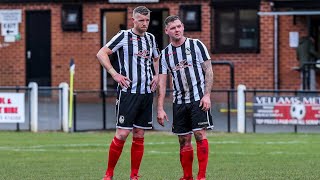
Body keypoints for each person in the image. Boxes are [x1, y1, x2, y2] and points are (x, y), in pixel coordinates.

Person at [96, 6, 160, 180]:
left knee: (139, 134)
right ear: (134, 20)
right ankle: (109, 174)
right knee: (122, 133)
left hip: (146, 94)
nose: (145, 23)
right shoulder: (124, 36)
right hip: (128, 93)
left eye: (147, 20)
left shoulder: (151, 39)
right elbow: (102, 53)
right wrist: (114, 74)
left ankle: (134, 176)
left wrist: (156, 75)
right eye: (141, 20)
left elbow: (156, 58)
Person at [157, 15, 214, 180]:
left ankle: (201, 176)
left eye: (179, 26)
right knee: (183, 140)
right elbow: (162, 83)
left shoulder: (196, 45)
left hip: (198, 99)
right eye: (173, 28)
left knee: (199, 134)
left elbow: (208, 70)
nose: (177, 30)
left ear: (182, 27)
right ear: (167, 30)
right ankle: (187, 176)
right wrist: (160, 108)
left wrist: (207, 95)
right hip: (179, 102)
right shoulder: (165, 54)